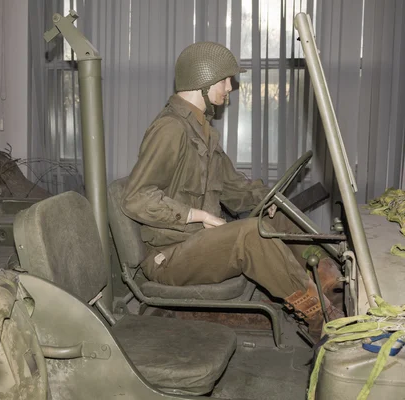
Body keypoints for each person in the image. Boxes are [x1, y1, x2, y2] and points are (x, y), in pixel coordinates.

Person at [121, 41, 343, 341]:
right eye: (225, 80)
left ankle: (334, 289)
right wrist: (192, 214)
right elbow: (136, 197)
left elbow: (232, 186)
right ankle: (320, 316)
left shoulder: (201, 130)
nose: (230, 87)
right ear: (203, 82)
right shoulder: (171, 129)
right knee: (250, 235)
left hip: (197, 244)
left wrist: (266, 197)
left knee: (279, 216)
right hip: (169, 257)